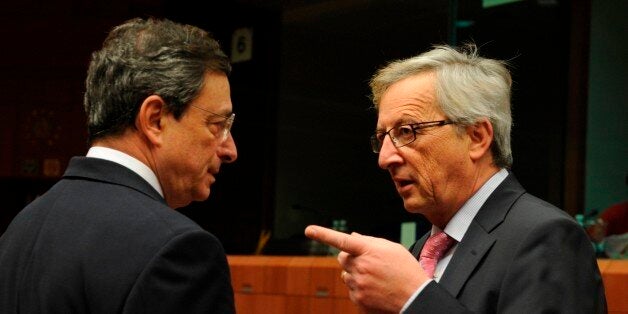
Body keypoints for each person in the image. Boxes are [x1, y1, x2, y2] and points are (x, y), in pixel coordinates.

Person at [305, 44, 606, 313]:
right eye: (382, 137)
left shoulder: (546, 236)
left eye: (406, 132)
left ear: (477, 137)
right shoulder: (421, 251)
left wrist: (414, 298)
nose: (385, 159)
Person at [0, 17, 237, 313]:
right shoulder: (178, 251)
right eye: (217, 124)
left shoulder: (21, 227)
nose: (230, 150)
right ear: (155, 119)